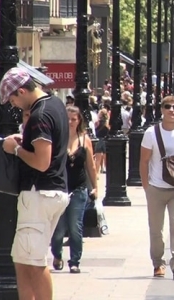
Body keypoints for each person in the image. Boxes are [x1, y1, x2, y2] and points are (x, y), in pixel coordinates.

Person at [0, 68, 70, 300]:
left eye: (13, 100)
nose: (15, 106)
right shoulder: (56, 104)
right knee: (23, 259)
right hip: (51, 191)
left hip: (39, 192)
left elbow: (42, 162)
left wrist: (16, 149)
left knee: (35, 261)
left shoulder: (40, 116)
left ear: (21, 91)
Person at [140, 95, 174, 280]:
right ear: (162, 110)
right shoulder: (151, 133)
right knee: (156, 228)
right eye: (168, 107)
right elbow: (144, 160)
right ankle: (158, 263)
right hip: (156, 188)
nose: (172, 110)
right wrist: (146, 186)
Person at [50, 106, 98, 274]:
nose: (70, 122)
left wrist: (96, 187)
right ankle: (57, 255)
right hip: (59, 189)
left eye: (74, 119)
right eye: (67, 118)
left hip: (79, 189)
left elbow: (91, 166)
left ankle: (74, 261)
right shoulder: (56, 139)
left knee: (75, 227)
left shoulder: (85, 140)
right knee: (58, 230)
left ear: (79, 121)